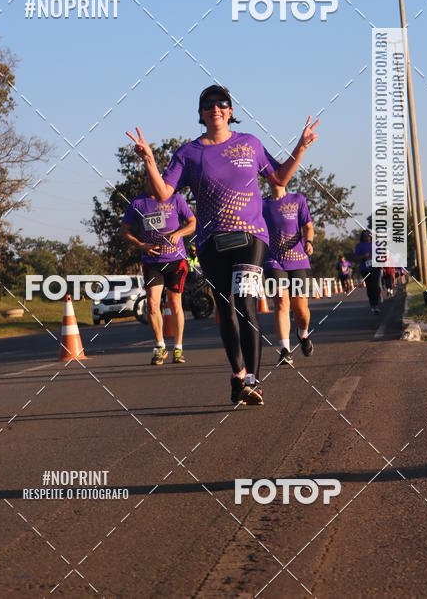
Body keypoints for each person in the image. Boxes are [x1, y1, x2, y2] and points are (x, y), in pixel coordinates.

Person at [127, 84, 319, 406]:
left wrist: (301, 146)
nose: (215, 108)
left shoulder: (250, 144)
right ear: (201, 114)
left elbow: (280, 179)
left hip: (250, 237)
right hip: (210, 242)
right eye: (208, 105)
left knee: (244, 305)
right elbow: (163, 193)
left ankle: (255, 382)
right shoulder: (188, 153)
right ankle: (238, 374)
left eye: (222, 104)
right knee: (226, 310)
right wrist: (148, 160)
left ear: (231, 111)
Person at [120, 178, 195, 365]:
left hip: (176, 260)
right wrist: (140, 244)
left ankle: (178, 348)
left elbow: (193, 223)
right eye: (149, 180)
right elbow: (124, 230)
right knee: (153, 304)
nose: (153, 183)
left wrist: (179, 233)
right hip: (152, 261)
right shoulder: (138, 203)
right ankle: (160, 345)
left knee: (175, 302)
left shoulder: (176, 199)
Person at [262, 184, 314, 365]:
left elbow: (308, 226)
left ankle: (303, 333)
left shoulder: (297, 199)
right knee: (281, 301)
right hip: (273, 260)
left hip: (298, 259)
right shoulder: (262, 205)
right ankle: (285, 350)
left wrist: (308, 241)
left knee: (300, 310)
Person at [354, 230, 382, 313]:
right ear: (362, 237)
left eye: (368, 235)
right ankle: (372, 305)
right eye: (365, 235)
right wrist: (363, 256)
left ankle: (376, 305)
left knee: (376, 286)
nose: (367, 237)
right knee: (370, 287)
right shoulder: (359, 246)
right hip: (365, 269)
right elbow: (356, 258)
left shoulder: (376, 244)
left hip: (375, 268)